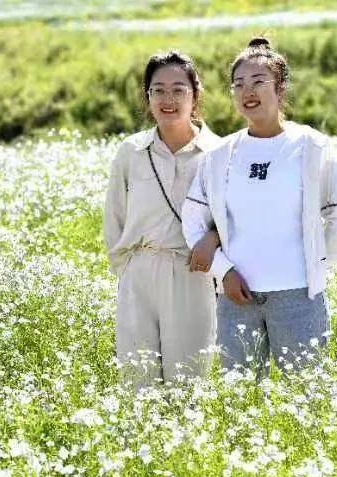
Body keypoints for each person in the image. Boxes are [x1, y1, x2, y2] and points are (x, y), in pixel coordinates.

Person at [182, 37, 337, 376]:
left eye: (258, 82)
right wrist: (224, 271)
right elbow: (193, 220)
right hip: (236, 298)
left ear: (280, 90)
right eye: (238, 85)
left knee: (308, 397)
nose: (247, 91)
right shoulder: (220, 155)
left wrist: (317, 262)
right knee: (239, 401)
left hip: (298, 297)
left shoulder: (311, 147)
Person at [103, 51, 223, 386]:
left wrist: (212, 243)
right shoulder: (131, 152)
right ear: (147, 95)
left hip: (192, 273)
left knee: (189, 381)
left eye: (178, 90)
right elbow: (114, 219)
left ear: (195, 94)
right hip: (138, 273)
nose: (167, 99)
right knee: (137, 380)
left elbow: (233, 219)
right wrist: (126, 269)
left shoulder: (219, 153)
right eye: (158, 90)